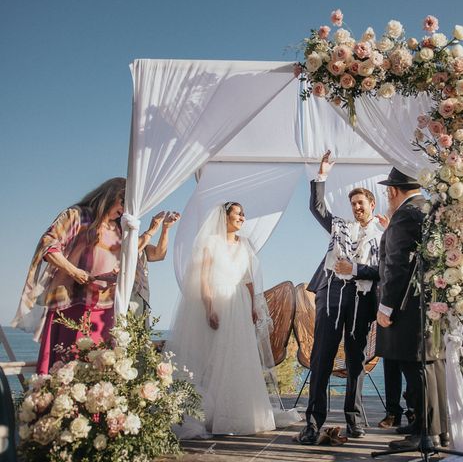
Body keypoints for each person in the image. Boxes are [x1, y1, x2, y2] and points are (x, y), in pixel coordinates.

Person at [296, 150, 385, 445]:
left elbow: (383, 271)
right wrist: (321, 175)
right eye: (353, 204)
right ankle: (312, 423)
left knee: (357, 361)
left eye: (361, 203)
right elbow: (317, 207)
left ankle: (355, 421)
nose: (357, 207)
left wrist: (357, 268)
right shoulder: (340, 227)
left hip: (363, 301)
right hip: (332, 293)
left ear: (372, 204)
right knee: (321, 357)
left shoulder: (383, 235)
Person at [167, 202, 276, 436]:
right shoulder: (210, 243)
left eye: (243, 214)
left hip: (240, 304)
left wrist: (253, 307)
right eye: (238, 214)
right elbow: (203, 279)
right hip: (219, 301)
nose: (242, 218)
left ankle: (242, 412)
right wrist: (209, 308)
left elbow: (248, 279)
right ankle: (213, 414)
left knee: (240, 356)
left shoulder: (245, 244)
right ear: (224, 217)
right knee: (216, 357)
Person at [12, 177, 126, 374]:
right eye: (123, 202)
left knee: (98, 371)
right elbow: (48, 245)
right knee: (66, 368)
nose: (124, 210)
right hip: (72, 305)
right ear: (110, 195)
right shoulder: (78, 216)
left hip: (105, 310)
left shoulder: (119, 228)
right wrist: (74, 272)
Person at [375, 167, 443, 451]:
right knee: (423, 366)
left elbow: (397, 265)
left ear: (393, 190)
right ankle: (425, 426)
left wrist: (386, 307)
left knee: (413, 367)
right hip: (426, 306)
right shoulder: (428, 208)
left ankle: (425, 434)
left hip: (406, 305)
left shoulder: (404, 215)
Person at [130, 210, 181, 319]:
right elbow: (130, 252)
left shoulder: (139, 242)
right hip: (127, 295)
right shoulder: (119, 240)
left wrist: (165, 229)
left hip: (142, 295)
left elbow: (158, 255)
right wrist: (151, 230)